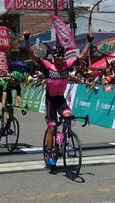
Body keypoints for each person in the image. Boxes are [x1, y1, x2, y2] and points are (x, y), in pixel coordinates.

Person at [24, 31, 93, 168]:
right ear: (53, 57)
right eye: (57, 56)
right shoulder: (47, 65)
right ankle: (50, 153)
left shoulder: (68, 65)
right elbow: (31, 55)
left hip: (60, 100)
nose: (60, 58)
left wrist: (89, 42)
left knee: (68, 116)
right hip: (50, 100)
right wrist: (26, 40)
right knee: (52, 126)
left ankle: (63, 139)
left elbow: (82, 56)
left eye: (62, 56)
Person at [0, 71, 26, 137]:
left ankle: (7, 128)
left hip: (7, 92)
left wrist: (22, 108)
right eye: (17, 81)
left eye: (19, 81)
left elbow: (18, 97)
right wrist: (4, 105)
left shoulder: (17, 85)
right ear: (13, 80)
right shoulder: (7, 83)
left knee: (10, 109)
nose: (18, 83)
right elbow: (4, 95)